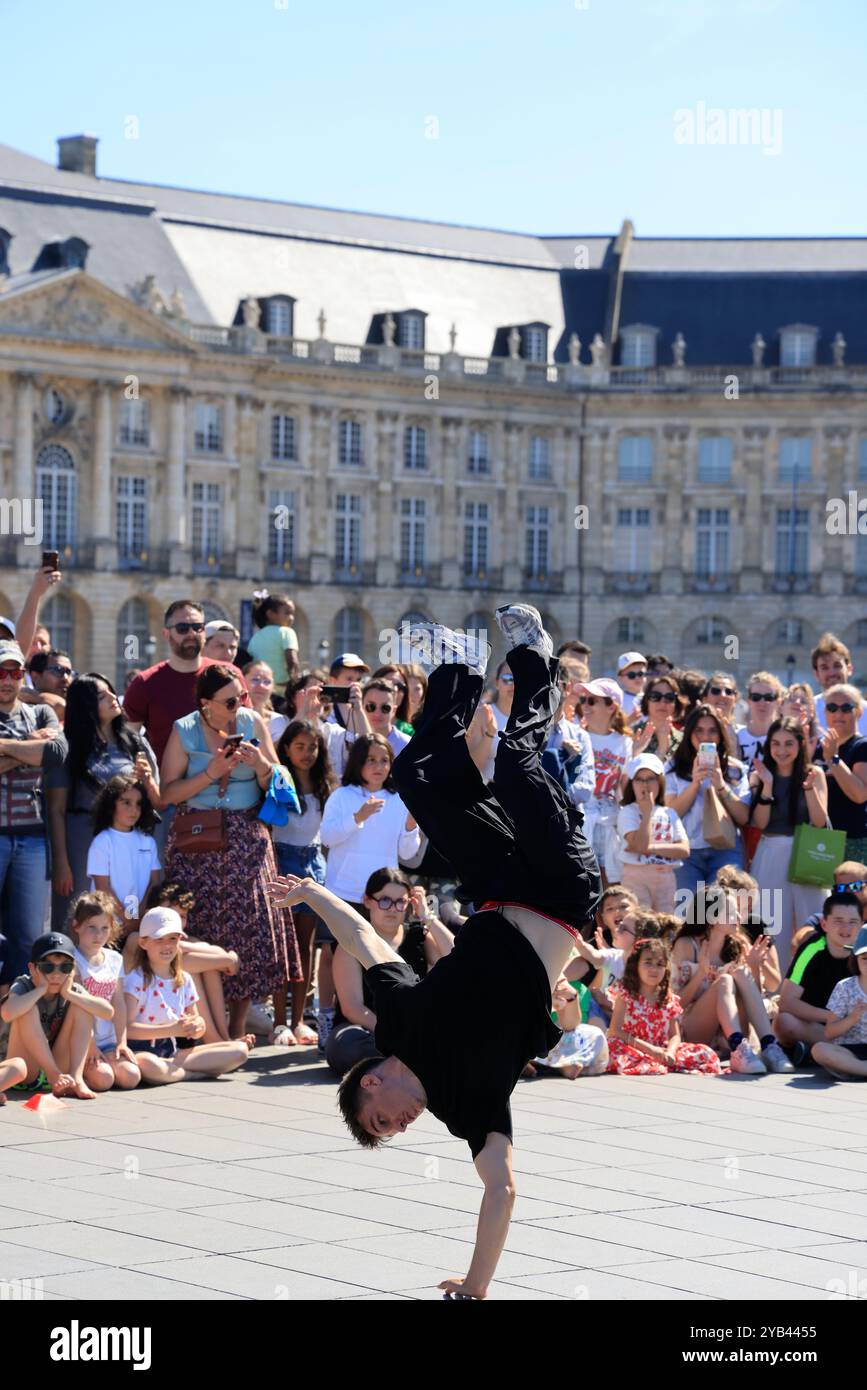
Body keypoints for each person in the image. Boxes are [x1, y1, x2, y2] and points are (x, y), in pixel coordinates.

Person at [268, 603, 601, 1301]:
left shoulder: (397, 1021)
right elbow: (502, 1189)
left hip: (496, 883)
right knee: (513, 763)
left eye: (383, 1119)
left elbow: (363, 940)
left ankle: (453, 662)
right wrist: (476, 1286)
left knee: (416, 775)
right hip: (560, 891)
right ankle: (535, 659)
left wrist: (314, 896)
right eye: (392, 1130)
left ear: (369, 1082)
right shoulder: (465, 1106)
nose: (401, 1124)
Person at [160, 663, 301, 1039]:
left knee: (248, 931)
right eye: (228, 701)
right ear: (205, 703)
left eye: (241, 697)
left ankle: (238, 1027)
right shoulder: (185, 729)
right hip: (198, 841)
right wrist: (211, 771)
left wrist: (260, 766)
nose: (237, 705)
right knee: (202, 927)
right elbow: (165, 794)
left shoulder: (252, 721)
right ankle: (205, 1024)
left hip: (247, 840)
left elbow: (280, 777)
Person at [123, 600, 248, 856]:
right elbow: (127, 742)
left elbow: (250, 727)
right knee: (169, 887)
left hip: (228, 801)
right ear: (166, 633)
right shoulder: (145, 683)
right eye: (183, 627)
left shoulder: (229, 676)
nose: (191, 633)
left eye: (197, 626)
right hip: (168, 801)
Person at [45, 674, 160, 931]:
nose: (112, 698)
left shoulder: (134, 742)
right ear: (85, 705)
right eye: (101, 696)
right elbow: (56, 809)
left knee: (126, 909)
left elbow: (157, 800)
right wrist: (61, 863)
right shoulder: (68, 747)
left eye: (111, 691)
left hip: (126, 838)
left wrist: (148, 780)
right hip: (81, 838)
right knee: (77, 913)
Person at [326, 869, 453, 1076]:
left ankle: (410, 1059)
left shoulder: (418, 936)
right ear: (367, 901)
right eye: (384, 900)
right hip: (366, 1029)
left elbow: (456, 958)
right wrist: (397, 1036)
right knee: (346, 1047)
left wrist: (427, 917)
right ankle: (417, 1059)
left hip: (412, 1029)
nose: (392, 909)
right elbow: (353, 1008)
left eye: (400, 902)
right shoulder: (352, 941)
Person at [0, 640, 68, 994]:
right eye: (1, 672)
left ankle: (15, 1016)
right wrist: (30, 750)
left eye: (15, 672)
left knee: (27, 934)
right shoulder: (36, 725)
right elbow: (43, 753)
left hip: (32, 836)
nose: (8, 679)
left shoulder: (39, 714)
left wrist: (5, 747)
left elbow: (56, 753)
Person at [671, 887, 793, 1073]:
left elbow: (754, 1001)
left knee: (741, 973)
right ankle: (738, 1049)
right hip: (695, 1030)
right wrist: (701, 974)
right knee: (725, 981)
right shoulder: (687, 945)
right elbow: (674, 1005)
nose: (737, 915)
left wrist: (754, 966)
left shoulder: (737, 944)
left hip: (730, 1031)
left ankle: (769, 1046)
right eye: (730, 912)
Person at [124, 907, 249, 1084]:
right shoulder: (136, 979)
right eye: (159, 939)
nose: (167, 945)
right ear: (143, 943)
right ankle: (191, 1074)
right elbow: (126, 1029)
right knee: (148, 1064)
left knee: (239, 1051)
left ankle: (171, 1070)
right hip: (141, 1052)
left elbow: (198, 1025)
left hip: (175, 1054)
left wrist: (197, 1026)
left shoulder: (185, 979)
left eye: (173, 939)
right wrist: (171, 1030)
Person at [271, 719, 336, 1047]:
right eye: (300, 746)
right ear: (285, 748)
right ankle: (279, 1021)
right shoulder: (278, 781)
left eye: (312, 746)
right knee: (284, 946)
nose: (307, 753)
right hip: (283, 860)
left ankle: (298, 1020)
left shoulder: (326, 784)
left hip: (313, 863)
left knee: (306, 945)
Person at [747, 716, 829, 971]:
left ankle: (813, 984)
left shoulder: (814, 774)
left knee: (813, 922)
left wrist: (809, 789)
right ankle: (772, 990)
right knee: (771, 925)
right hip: (771, 851)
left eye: (789, 743)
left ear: (800, 744)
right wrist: (767, 786)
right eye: (776, 743)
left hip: (808, 854)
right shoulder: (760, 775)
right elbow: (760, 823)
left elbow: (820, 822)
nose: (782, 750)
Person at [130, 882, 247, 1047]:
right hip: (146, 1021)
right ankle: (213, 1039)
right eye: (170, 913)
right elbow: (185, 949)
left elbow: (205, 948)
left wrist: (225, 958)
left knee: (207, 967)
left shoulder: (181, 940)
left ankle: (223, 1036)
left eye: (182, 916)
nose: (174, 920)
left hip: (173, 1015)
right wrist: (228, 959)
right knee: (189, 966)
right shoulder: (139, 938)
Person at [0, 930, 113, 1099]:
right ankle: (53, 1074)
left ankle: (76, 1077)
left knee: (83, 1005)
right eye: (48, 967)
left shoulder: (70, 989)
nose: (56, 975)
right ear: (33, 968)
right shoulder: (24, 984)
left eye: (64, 967)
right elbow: (8, 1013)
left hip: (60, 1070)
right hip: (25, 1067)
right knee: (27, 1008)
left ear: (72, 969)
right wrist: (40, 990)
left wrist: (70, 995)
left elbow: (107, 1012)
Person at [320, 734, 420, 910]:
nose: (378, 766)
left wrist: (411, 827)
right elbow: (327, 838)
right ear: (358, 762)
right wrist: (357, 818)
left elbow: (407, 854)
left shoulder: (400, 800)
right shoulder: (341, 796)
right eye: (371, 760)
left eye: (384, 760)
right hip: (343, 891)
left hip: (384, 895)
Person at [664, 703, 751, 898]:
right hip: (686, 852)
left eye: (712, 731)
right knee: (689, 915)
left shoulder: (735, 768)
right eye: (699, 731)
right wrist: (694, 784)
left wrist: (721, 785)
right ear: (689, 734)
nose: (706, 737)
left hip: (725, 849)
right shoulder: (672, 767)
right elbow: (671, 813)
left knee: (724, 910)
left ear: (720, 735)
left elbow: (743, 816)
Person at [607, 935, 721, 1075]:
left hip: (661, 1049)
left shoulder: (667, 998)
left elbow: (675, 1035)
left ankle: (660, 1061)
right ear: (636, 965)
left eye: (660, 964)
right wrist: (650, 1050)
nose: (654, 969)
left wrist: (671, 1052)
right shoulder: (626, 994)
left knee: (706, 1053)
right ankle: (650, 1061)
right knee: (614, 1053)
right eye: (648, 962)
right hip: (632, 1046)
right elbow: (615, 1030)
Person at [774, 891, 862, 1063]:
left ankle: (815, 1053)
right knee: (783, 1022)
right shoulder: (811, 949)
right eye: (838, 921)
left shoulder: (863, 952)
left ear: (861, 925)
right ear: (824, 924)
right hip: (817, 1026)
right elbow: (786, 1001)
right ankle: (846, 1054)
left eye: (853, 922)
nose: (846, 929)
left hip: (855, 1027)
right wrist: (830, 1017)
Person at [68, 891, 140, 1092]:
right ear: (77, 925)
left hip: (108, 1041)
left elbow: (118, 1001)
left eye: (104, 928)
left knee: (131, 1077)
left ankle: (109, 1060)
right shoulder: (73, 960)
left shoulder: (114, 959)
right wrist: (91, 1046)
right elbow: (79, 1007)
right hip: (84, 1041)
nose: (98, 935)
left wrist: (121, 1042)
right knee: (104, 1080)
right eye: (91, 927)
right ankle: (79, 1070)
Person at [575, 677, 633, 886]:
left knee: (610, 889)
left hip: (611, 825)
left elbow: (624, 789)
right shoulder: (576, 735)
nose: (585, 706)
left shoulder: (626, 742)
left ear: (612, 707)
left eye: (592, 701)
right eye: (584, 700)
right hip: (580, 823)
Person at [87, 774, 161, 927]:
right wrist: (126, 918)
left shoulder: (148, 842)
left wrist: (138, 916)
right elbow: (103, 888)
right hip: (106, 925)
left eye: (138, 804)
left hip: (139, 922)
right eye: (126, 802)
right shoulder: (102, 841)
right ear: (111, 805)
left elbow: (154, 882)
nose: (133, 810)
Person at [617, 754, 688, 911]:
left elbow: (684, 850)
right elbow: (639, 845)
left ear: (660, 782)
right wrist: (647, 813)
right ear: (632, 784)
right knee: (640, 923)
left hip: (666, 877)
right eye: (639, 779)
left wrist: (650, 848)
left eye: (650, 778)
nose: (645, 784)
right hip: (636, 876)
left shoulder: (670, 813)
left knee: (666, 925)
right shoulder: (627, 812)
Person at [814, 684, 867, 862]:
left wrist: (833, 759)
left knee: (852, 890)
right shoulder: (817, 748)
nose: (838, 714)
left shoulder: (862, 746)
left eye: (846, 708)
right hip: (819, 841)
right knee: (822, 891)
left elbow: (860, 794)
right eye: (832, 708)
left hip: (853, 841)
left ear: (858, 712)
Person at [811, 925, 867, 1079]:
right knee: (820, 1050)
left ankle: (854, 1071)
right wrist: (853, 1018)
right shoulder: (845, 987)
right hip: (849, 1051)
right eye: (864, 958)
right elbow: (829, 1032)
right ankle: (861, 1069)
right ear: (855, 959)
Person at [811, 633, 867, 736]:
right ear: (816, 674)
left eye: (837, 666)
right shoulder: (809, 711)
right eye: (824, 667)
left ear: (849, 669)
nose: (832, 673)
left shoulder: (865, 711)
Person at [247, 592, 300, 696]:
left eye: (293, 614)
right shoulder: (286, 632)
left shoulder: (255, 637)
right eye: (287, 613)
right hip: (282, 691)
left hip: (260, 690)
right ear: (270, 614)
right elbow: (292, 660)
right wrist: (295, 683)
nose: (291, 617)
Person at [631, 672, 684, 762]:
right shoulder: (632, 735)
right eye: (655, 696)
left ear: (676, 703)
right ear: (646, 701)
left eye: (669, 697)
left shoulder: (683, 739)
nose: (663, 703)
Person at [737, 672, 783, 765]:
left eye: (768, 698)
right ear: (749, 701)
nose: (762, 702)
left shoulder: (784, 739)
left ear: (778, 702)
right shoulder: (735, 736)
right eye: (756, 697)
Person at [701, 673, 741, 758]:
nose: (723, 695)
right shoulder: (693, 731)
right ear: (704, 699)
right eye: (716, 691)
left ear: (735, 700)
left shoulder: (742, 734)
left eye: (728, 692)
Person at [782, 683, 820, 762]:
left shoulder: (821, 746)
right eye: (791, 699)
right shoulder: (769, 739)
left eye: (803, 701)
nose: (797, 702)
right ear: (780, 707)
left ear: (812, 712)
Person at [615, 651, 647, 722]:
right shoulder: (618, 700)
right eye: (631, 675)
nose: (637, 678)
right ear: (620, 678)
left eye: (640, 674)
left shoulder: (653, 699)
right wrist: (629, 720)